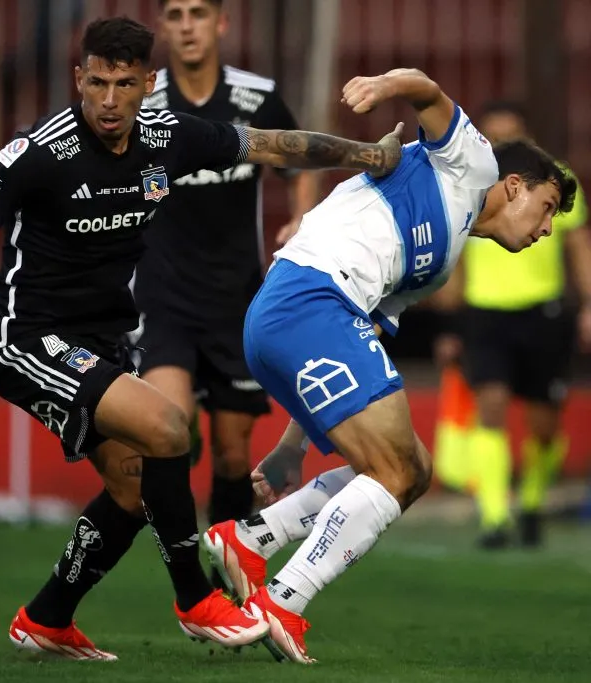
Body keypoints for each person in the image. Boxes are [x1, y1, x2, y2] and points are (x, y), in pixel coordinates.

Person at [0, 17, 402, 661]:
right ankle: (194, 601)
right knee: (169, 429)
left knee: (134, 489)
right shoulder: (40, 153)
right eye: (97, 82)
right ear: (79, 78)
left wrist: (370, 156)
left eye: (125, 84)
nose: (109, 100)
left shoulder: (169, 140)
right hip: (26, 339)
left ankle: (46, 618)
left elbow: (277, 144)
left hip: (102, 340)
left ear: (147, 84)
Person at [200, 69, 577, 664]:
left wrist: (296, 445)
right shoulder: (472, 164)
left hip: (302, 316)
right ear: (514, 185)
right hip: (311, 298)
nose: (547, 227)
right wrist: (381, 86)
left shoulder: (441, 261)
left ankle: (251, 538)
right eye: (547, 205)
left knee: (412, 470)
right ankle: (281, 602)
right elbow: (426, 88)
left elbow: (364, 332)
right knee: (396, 470)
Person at [133, 0, 319, 568]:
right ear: (163, 26)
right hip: (162, 295)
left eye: (197, 13)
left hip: (237, 298)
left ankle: (228, 563)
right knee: (172, 426)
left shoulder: (256, 97)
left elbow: (300, 161)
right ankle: (188, 580)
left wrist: (299, 218)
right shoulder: (145, 99)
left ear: (220, 22)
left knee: (235, 454)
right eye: (174, 15)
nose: (186, 26)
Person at [429, 101, 591, 548]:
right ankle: (495, 516)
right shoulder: (472, 181)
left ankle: (534, 499)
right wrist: (449, 323)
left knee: (544, 425)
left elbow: (578, 245)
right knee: (492, 407)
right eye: (492, 135)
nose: (499, 143)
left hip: (544, 312)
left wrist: (589, 305)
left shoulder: (554, 182)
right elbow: (456, 248)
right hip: (485, 314)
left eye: (508, 135)